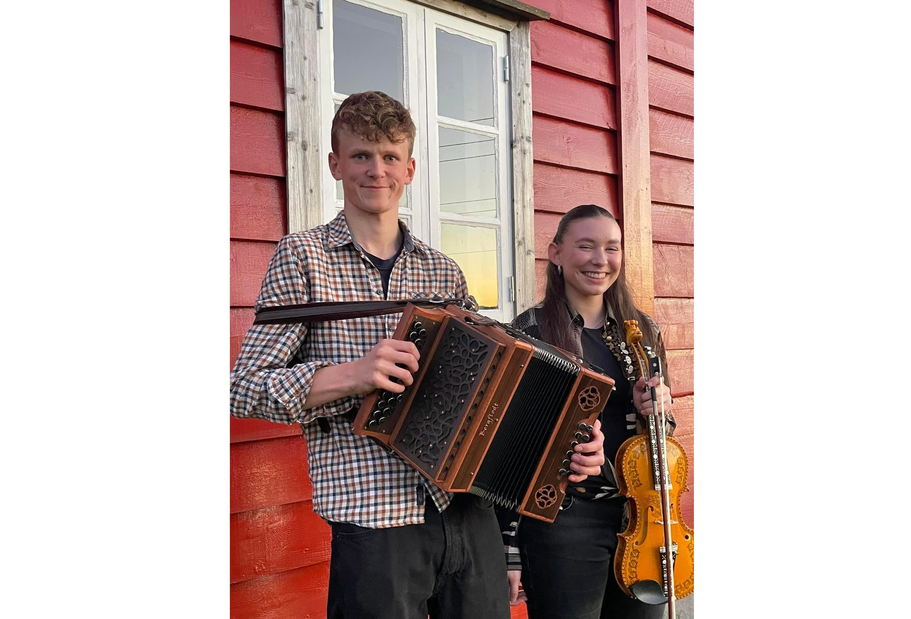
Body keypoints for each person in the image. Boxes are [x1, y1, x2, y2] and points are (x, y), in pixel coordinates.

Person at [230, 91, 605, 619]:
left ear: (409, 168)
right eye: (361, 155)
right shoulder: (302, 258)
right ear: (336, 164)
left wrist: (570, 440)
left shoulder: (442, 270)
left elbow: (507, 382)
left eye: (388, 157)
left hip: (467, 507)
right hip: (375, 515)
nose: (375, 170)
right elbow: (245, 387)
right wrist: (354, 375)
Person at [501, 204, 678, 619]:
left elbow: (664, 435)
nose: (601, 260)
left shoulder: (644, 332)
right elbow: (508, 450)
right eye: (586, 246)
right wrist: (510, 551)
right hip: (563, 522)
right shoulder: (530, 334)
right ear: (557, 254)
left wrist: (658, 411)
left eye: (611, 248)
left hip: (641, 519)